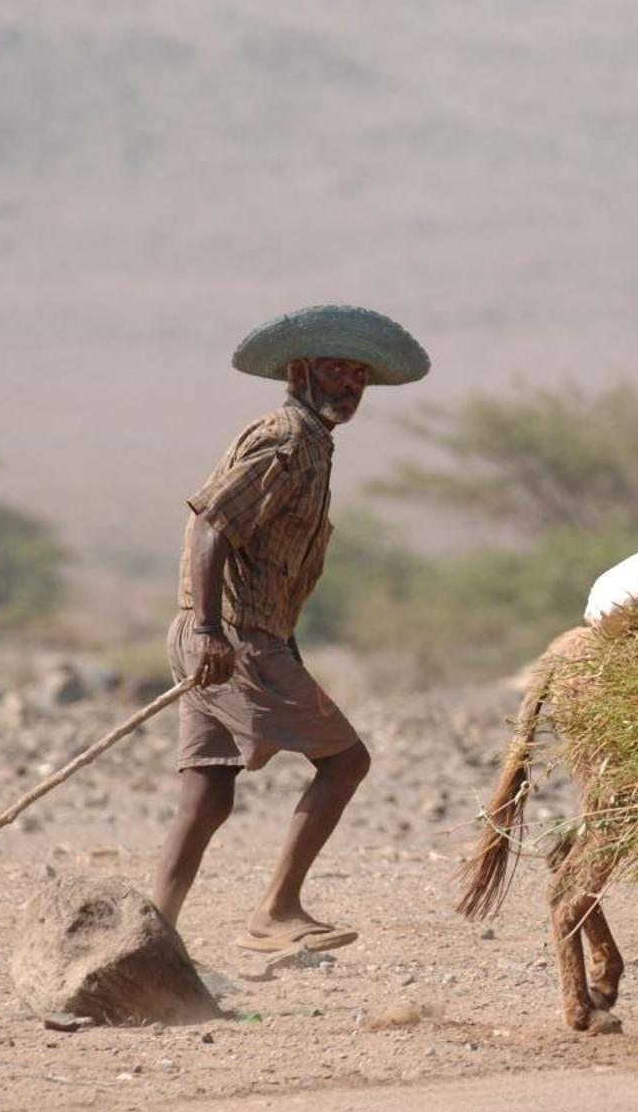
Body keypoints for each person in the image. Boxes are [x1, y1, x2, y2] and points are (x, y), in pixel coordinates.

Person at [151, 304, 430, 953]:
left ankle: (150, 936)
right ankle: (275, 911)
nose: (349, 386)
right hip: (231, 638)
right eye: (335, 369)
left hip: (239, 633)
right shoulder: (286, 439)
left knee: (209, 793)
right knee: (346, 761)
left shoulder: (313, 443)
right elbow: (213, 524)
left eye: (359, 375)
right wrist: (214, 631)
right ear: (299, 371)